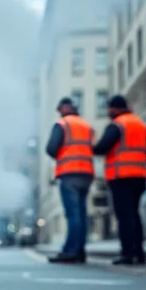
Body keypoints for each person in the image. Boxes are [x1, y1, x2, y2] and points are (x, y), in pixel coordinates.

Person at [93, 94, 146, 265]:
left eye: (109, 108)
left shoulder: (117, 125)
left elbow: (102, 147)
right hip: (139, 176)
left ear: (115, 108)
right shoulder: (141, 125)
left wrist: (91, 147)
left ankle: (127, 254)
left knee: (124, 216)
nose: (108, 112)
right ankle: (139, 254)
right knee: (135, 215)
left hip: (121, 176)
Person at [45, 97, 95, 264]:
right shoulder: (86, 126)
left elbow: (51, 148)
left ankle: (70, 251)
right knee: (81, 213)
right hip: (86, 174)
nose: (59, 112)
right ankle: (80, 251)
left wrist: (61, 156)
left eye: (59, 108)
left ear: (65, 107)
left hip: (69, 173)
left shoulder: (62, 124)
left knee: (73, 214)